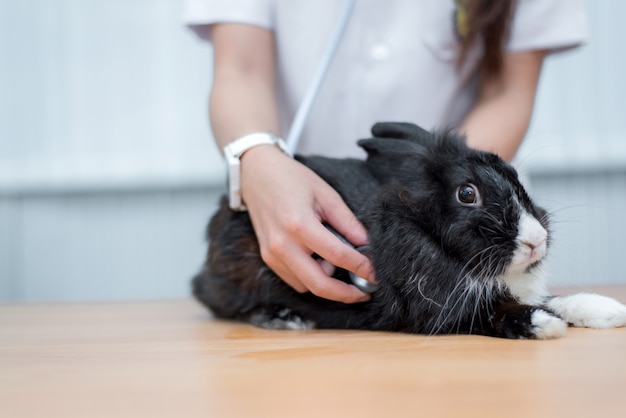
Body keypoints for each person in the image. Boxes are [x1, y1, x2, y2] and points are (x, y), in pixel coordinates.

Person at [183, 0, 588, 304]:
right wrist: (258, 160)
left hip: (459, 231)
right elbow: (241, 70)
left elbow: (508, 91)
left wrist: (447, 198)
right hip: (297, 213)